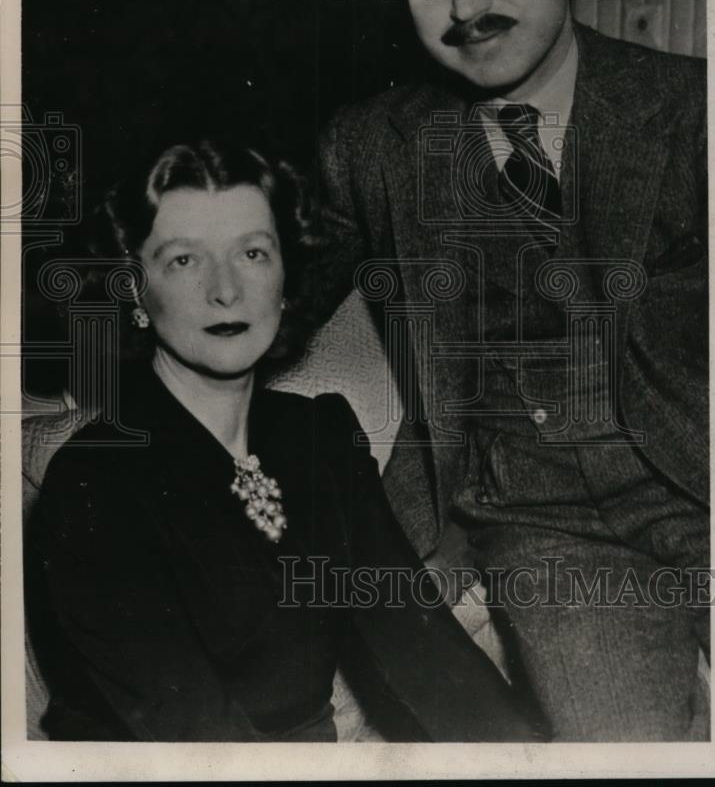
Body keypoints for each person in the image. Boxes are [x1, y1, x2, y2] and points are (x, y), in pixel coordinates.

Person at [318, 0, 709, 740]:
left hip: (708, 486)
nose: (464, 9)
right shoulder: (370, 145)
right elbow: (258, 293)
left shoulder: (698, 113)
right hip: (541, 526)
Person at [26, 139, 546, 743]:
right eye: (184, 261)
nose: (226, 290)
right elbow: (196, 737)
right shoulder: (95, 481)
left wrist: (525, 762)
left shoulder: (319, 435)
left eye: (252, 252)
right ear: (134, 289)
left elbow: (418, 640)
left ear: (285, 277)